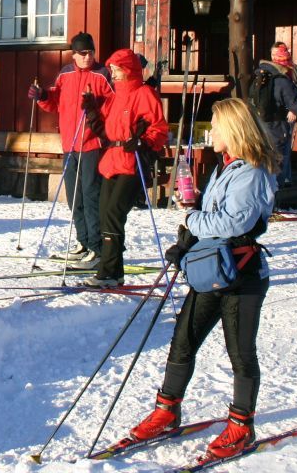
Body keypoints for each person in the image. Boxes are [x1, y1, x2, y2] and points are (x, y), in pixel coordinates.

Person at [122, 98, 278, 462]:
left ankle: (242, 424)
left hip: (242, 275)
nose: (212, 133)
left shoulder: (252, 172)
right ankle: (167, 411)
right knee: (183, 338)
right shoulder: (226, 168)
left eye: (217, 127)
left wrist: (192, 223)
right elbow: (211, 215)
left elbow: (233, 223)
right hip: (212, 268)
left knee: (240, 352)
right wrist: (186, 243)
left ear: (235, 131)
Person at [79, 48, 168, 287]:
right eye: (113, 71)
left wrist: (144, 141)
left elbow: (158, 128)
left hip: (133, 161)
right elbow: (104, 131)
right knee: (105, 212)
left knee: (114, 214)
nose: (114, 75)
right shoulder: (115, 97)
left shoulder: (145, 93)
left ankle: (107, 272)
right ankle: (114, 271)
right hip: (112, 158)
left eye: (117, 70)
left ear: (129, 70)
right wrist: (91, 109)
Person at [30, 31, 114, 268]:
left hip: (91, 144)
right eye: (83, 53)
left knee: (90, 194)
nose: (88, 57)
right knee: (74, 196)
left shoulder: (102, 75)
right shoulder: (65, 74)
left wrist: (95, 106)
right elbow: (54, 101)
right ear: (74, 55)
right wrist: (42, 95)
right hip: (69, 143)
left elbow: (113, 105)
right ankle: (83, 242)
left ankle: (97, 249)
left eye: (91, 52)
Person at [249, 43, 297, 187]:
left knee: (264, 157)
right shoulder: (282, 79)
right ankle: (277, 191)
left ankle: (265, 190)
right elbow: (296, 98)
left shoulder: (259, 76)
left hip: (259, 124)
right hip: (278, 124)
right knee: (279, 157)